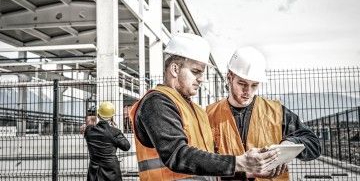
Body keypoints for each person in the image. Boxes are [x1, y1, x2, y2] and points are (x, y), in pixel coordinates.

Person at [130, 33, 280, 181]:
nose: (201, 79)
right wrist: (240, 162)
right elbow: (177, 155)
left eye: (202, 73)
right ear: (175, 69)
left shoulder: (197, 111)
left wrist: (247, 172)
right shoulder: (156, 102)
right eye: (195, 72)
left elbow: (207, 167)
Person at [206, 47, 321, 181]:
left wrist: (289, 144)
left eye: (254, 85)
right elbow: (201, 164)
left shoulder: (276, 111)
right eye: (242, 83)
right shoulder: (209, 114)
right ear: (229, 77)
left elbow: (314, 144)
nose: (247, 91)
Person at [84, 102, 131, 181]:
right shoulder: (115, 132)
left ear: (98, 115)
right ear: (112, 116)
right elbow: (126, 146)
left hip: (94, 171)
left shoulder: (89, 130)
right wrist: (115, 130)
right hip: (111, 171)